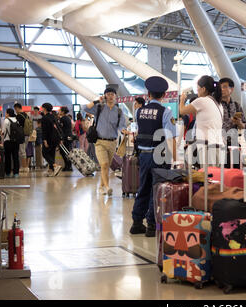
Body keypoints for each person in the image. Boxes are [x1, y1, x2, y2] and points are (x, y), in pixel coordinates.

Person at [130, 76, 177, 237]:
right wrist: (175, 159)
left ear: (148, 94)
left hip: (143, 155)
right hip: (160, 156)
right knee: (157, 189)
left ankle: (136, 223)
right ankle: (151, 225)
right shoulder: (166, 112)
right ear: (163, 95)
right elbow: (171, 137)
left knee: (143, 187)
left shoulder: (139, 111)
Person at [82, 87, 127, 195]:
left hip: (112, 142)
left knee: (106, 166)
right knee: (104, 164)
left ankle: (101, 186)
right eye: (108, 94)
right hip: (100, 142)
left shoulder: (119, 111)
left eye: (112, 94)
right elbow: (84, 108)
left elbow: (121, 126)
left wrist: (125, 131)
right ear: (105, 96)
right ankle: (107, 187)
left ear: (116, 96)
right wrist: (97, 100)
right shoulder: (99, 107)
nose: (110, 96)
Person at [179, 75, 224, 166]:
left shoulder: (202, 101)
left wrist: (182, 100)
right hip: (218, 145)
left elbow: (182, 111)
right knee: (216, 177)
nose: (197, 91)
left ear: (203, 89)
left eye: (197, 88)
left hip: (207, 146)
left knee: (208, 177)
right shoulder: (218, 104)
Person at [219, 77, 246, 168]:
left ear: (232, 89)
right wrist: (231, 121)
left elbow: (245, 126)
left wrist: (239, 123)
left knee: (236, 170)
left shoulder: (237, 105)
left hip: (234, 143)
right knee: (222, 172)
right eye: (220, 87)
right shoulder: (216, 105)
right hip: (220, 143)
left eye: (224, 87)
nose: (222, 89)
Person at [41, 103, 63, 177]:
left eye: (42, 107)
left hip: (49, 138)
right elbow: (58, 127)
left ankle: (55, 166)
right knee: (51, 154)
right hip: (55, 138)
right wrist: (60, 138)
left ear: (44, 108)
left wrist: (44, 140)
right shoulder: (53, 117)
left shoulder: (44, 118)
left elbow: (44, 130)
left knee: (45, 153)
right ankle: (51, 170)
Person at [2, 108, 20, 178]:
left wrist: (2, 140)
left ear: (8, 114)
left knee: (8, 157)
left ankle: (8, 172)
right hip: (16, 141)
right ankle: (16, 173)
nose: (5, 114)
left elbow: (3, 132)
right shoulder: (16, 120)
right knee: (15, 157)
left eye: (6, 113)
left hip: (8, 141)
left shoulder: (6, 120)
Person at [13, 103, 31, 173]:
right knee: (23, 150)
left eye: (15, 109)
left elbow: (17, 127)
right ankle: (24, 166)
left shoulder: (19, 116)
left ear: (17, 108)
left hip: (21, 135)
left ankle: (25, 167)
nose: (15, 111)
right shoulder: (26, 115)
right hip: (27, 134)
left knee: (22, 151)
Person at [58, 106, 73, 172]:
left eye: (60, 110)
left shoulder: (63, 119)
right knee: (67, 151)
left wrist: (61, 138)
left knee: (64, 152)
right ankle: (69, 166)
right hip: (69, 136)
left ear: (63, 112)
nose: (59, 111)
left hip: (65, 138)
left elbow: (61, 129)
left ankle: (68, 166)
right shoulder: (68, 118)